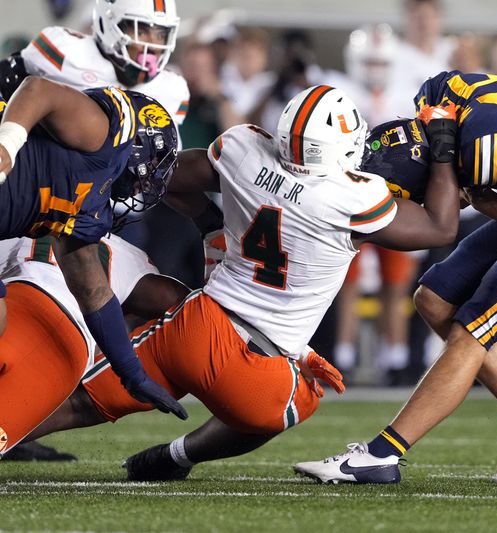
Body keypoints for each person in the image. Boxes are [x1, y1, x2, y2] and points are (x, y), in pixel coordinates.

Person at [24, 85, 461, 480]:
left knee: (81, 400)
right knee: (303, 395)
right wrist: (442, 152)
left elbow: (163, 178)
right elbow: (441, 229)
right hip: (261, 370)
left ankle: (9, 427)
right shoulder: (353, 197)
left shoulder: (244, 148)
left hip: (197, 324)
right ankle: (175, 457)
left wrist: (208, 224)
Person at [294, 70, 497, 484]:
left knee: (474, 330)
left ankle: (382, 455)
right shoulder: (435, 97)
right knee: (433, 298)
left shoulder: (486, 149)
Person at [0, 76, 185, 457]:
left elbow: (93, 290)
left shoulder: (90, 208)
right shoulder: (104, 136)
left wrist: (131, 374)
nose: (150, 177)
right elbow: (37, 89)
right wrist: (5, 147)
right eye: (153, 162)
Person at [0, 233, 190, 459]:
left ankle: (13, 435)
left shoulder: (23, 215)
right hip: (59, 341)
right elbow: (180, 303)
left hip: (16, 308)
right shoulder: (122, 254)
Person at [333, 24, 422, 382]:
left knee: (396, 282)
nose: (374, 70)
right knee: (346, 280)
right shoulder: (339, 93)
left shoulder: (406, 96)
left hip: (394, 198)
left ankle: (396, 358)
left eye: (380, 62)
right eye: (368, 62)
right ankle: (343, 356)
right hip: (349, 195)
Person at [1, 0, 188, 125]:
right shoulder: (66, 52)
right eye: (140, 32)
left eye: (161, 35)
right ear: (109, 24)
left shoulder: (171, 91)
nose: (153, 45)